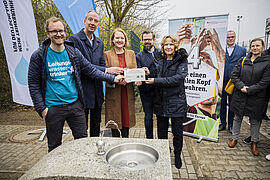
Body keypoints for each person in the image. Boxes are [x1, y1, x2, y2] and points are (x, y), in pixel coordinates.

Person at [28, 17, 123, 152]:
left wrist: (112, 79)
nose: (58, 34)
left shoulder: (73, 52)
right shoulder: (39, 55)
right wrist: (42, 109)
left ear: (65, 32)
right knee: (54, 147)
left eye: (61, 30)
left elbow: (90, 69)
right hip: (53, 108)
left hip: (75, 106)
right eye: (54, 31)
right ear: (48, 33)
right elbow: (33, 84)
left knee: (82, 143)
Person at [69, 10, 123, 137]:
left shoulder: (99, 43)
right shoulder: (74, 40)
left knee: (95, 125)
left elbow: (102, 64)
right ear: (85, 21)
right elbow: (83, 67)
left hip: (97, 91)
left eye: (96, 21)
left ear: (98, 24)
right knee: (82, 128)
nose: (92, 23)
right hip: (82, 91)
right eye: (90, 20)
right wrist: (107, 71)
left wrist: (113, 75)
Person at [145, 35, 188, 169]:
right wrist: (147, 73)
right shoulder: (158, 59)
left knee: (177, 133)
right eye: (165, 45)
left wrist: (155, 81)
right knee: (162, 132)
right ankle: (163, 155)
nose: (168, 47)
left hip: (177, 102)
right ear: (162, 47)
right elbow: (154, 75)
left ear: (175, 46)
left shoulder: (182, 59)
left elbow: (177, 79)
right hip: (161, 101)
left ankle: (177, 155)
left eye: (171, 44)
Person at [228, 38, 270, 156]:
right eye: (253, 46)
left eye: (257, 45)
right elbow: (234, 75)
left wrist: (250, 89)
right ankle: (234, 138)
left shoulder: (267, 63)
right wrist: (241, 86)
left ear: (263, 47)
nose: (255, 48)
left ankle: (254, 142)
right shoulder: (243, 60)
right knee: (237, 117)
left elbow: (265, 82)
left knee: (255, 120)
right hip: (240, 94)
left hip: (257, 97)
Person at [104, 28, 143, 138]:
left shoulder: (131, 53)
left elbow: (135, 70)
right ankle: (115, 143)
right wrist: (116, 80)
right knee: (115, 119)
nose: (119, 40)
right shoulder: (107, 54)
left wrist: (137, 78)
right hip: (114, 91)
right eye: (117, 37)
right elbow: (104, 74)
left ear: (125, 40)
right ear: (113, 40)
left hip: (127, 91)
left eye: (122, 38)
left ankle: (125, 142)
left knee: (126, 119)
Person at [219, 30, 246, 132]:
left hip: (233, 82)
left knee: (232, 104)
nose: (230, 39)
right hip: (222, 81)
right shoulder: (221, 49)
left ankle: (231, 124)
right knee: (221, 104)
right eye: (228, 37)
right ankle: (222, 123)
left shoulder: (242, 50)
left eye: (232, 37)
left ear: (235, 37)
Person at [136, 30, 160, 139]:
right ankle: (150, 140)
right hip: (146, 92)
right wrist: (141, 72)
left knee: (161, 118)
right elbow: (137, 75)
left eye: (149, 39)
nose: (147, 42)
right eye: (145, 39)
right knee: (148, 117)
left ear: (153, 40)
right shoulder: (139, 56)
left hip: (160, 91)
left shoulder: (161, 53)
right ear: (142, 41)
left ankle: (161, 142)